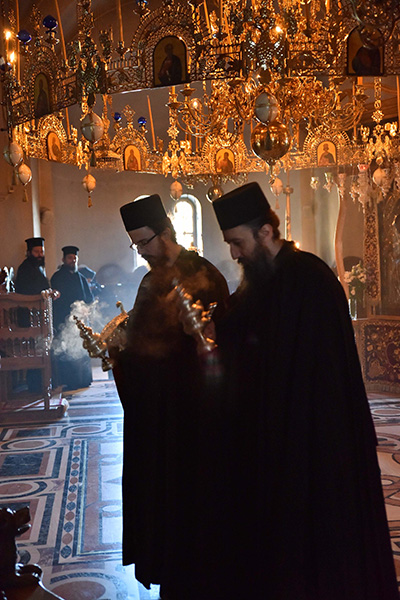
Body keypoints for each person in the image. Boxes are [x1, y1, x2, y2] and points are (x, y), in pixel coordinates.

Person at [194, 181, 398, 600]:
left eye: (237, 242)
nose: (233, 253)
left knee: (322, 544)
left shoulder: (311, 278)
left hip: (318, 438)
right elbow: (244, 334)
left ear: (265, 232)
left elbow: (316, 367)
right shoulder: (259, 282)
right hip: (277, 432)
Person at [112, 195, 229, 599]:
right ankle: (168, 571)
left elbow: (220, 346)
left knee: (193, 499)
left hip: (192, 415)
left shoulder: (205, 275)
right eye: (135, 245)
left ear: (165, 234)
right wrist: (119, 347)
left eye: (144, 242)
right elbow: (141, 340)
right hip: (155, 414)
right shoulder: (150, 281)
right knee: (159, 497)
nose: (141, 252)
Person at [14, 237, 59, 392]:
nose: (40, 255)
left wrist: (51, 293)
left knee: (43, 350)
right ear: (29, 252)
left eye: (42, 251)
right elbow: (27, 293)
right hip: (29, 318)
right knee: (36, 352)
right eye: (36, 252)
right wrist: (46, 294)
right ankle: (36, 386)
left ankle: (45, 384)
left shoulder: (37, 268)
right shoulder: (25, 269)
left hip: (38, 316)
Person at [51, 246, 94, 391]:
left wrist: (87, 310)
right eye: (70, 258)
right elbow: (57, 301)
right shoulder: (57, 277)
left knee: (82, 349)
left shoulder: (81, 277)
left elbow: (89, 298)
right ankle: (70, 381)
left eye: (75, 258)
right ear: (63, 259)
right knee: (68, 351)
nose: (73, 260)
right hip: (64, 320)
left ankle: (84, 380)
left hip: (80, 320)